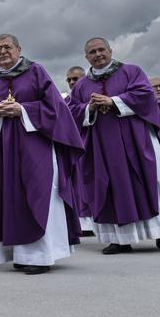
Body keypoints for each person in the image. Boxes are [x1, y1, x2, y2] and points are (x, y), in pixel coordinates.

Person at [0, 34, 83, 274]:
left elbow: (55, 108)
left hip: (35, 146)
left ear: (19, 49)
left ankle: (41, 256)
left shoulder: (36, 71)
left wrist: (23, 109)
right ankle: (20, 254)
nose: (2, 51)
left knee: (37, 194)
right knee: (7, 196)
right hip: (3, 148)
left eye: (7, 47)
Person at [66, 39, 160, 252]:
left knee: (151, 182)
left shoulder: (131, 71)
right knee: (108, 187)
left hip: (137, 141)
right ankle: (120, 239)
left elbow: (146, 95)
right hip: (101, 147)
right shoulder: (82, 85)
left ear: (111, 51)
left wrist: (114, 102)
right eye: (92, 52)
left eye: (102, 50)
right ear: (86, 57)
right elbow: (71, 110)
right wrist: (88, 108)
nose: (98, 54)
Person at [64, 66, 95, 236]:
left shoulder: (92, 93)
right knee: (78, 185)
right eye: (69, 79)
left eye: (75, 79)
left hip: (92, 142)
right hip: (74, 147)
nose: (71, 82)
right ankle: (83, 222)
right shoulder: (67, 100)